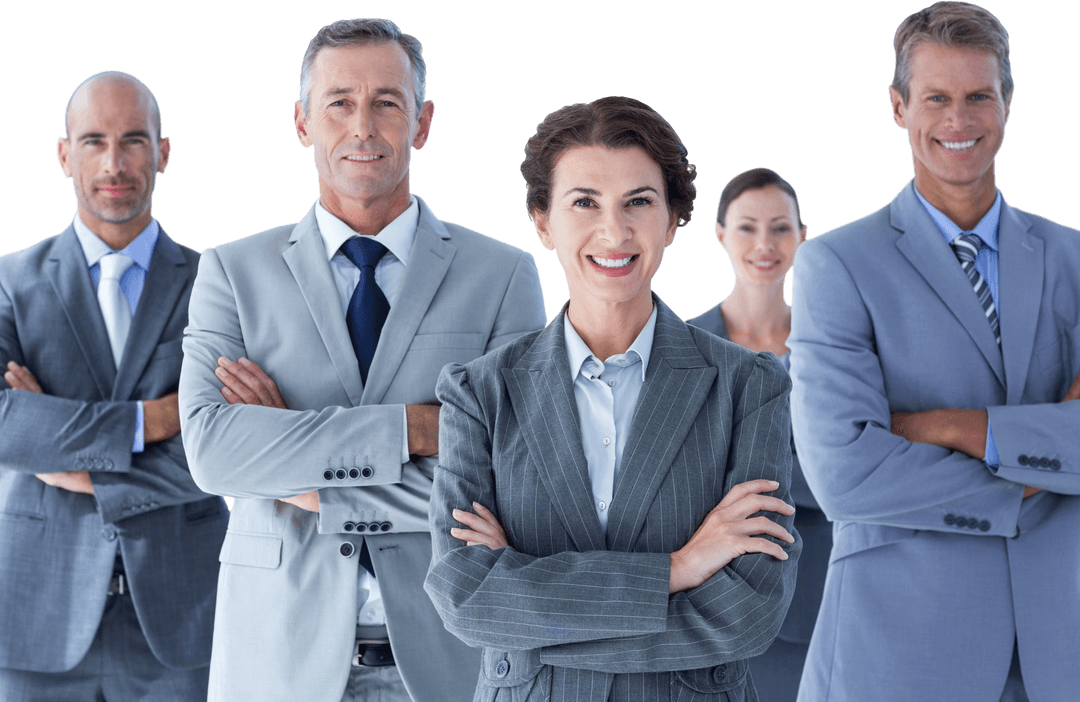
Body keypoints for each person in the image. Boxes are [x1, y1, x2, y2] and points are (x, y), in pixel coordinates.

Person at [178, 17, 546, 702]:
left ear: (423, 121)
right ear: (302, 123)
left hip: (453, 660)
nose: (363, 127)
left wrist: (294, 469)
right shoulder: (232, 272)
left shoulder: (502, 275)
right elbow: (211, 453)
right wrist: (415, 428)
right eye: (339, 102)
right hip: (277, 658)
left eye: (387, 102)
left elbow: (517, 478)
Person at [425, 96, 800, 702]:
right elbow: (468, 599)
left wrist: (536, 612)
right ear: (543, 222)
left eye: (639, 203)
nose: (614, 232)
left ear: (673, 220)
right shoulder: (479, 393)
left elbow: (749, 611)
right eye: (584, 203)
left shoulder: (748, 387)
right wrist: (679, 568)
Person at [788, 3, 1080, 701]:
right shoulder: (835, 264)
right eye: (937, 98)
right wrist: (1043, 467)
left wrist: (947, 426)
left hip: (1061, 641)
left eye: (980, 95)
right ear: (898, 106)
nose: (960, 119)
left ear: (1008, 104)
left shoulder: (1075, 258)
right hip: (904, 646)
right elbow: (846, 475)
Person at [0, 71, 227, 700]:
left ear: (163, 152)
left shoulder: (219, 284)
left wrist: (72, 462)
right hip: (37, 614)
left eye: (133, 139)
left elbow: (226, 444)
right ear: (64, 154)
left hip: (184, 619)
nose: (114, 162)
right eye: (94, 140)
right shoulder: (10, 283)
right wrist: (152, 420)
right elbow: (3, 426)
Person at [688, 167, 828, 702]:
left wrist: (745, 479)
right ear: (721, 235)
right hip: (714, 598)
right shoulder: (684, 347)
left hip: (819, 588)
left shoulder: (834, 346)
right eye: (747, 228)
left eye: (780, 228)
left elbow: (855, 462)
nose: (764, 245)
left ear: (802, 237)